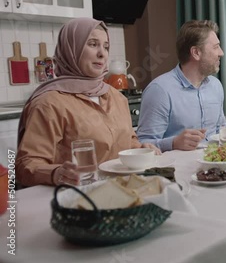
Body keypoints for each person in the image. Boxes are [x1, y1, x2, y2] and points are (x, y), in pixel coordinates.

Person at [16, 18, 160, 187]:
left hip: (123, 190)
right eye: (93, 44)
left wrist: (141, 147)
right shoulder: (49, 103)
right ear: (72, 49)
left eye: (106, 47)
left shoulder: (117, 97)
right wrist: (56, 173)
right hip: (74, 198)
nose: (102, 53)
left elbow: (129, 141)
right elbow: (27, 164)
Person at [137, 20, 226, 152]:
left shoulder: (215, 86)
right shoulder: (159, 90)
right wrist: (173, 143)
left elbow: (220, 130)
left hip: (216, 164)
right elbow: (142, 144)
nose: (221, 53)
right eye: (215, 47)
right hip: (180, 169)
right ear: (196, 52)